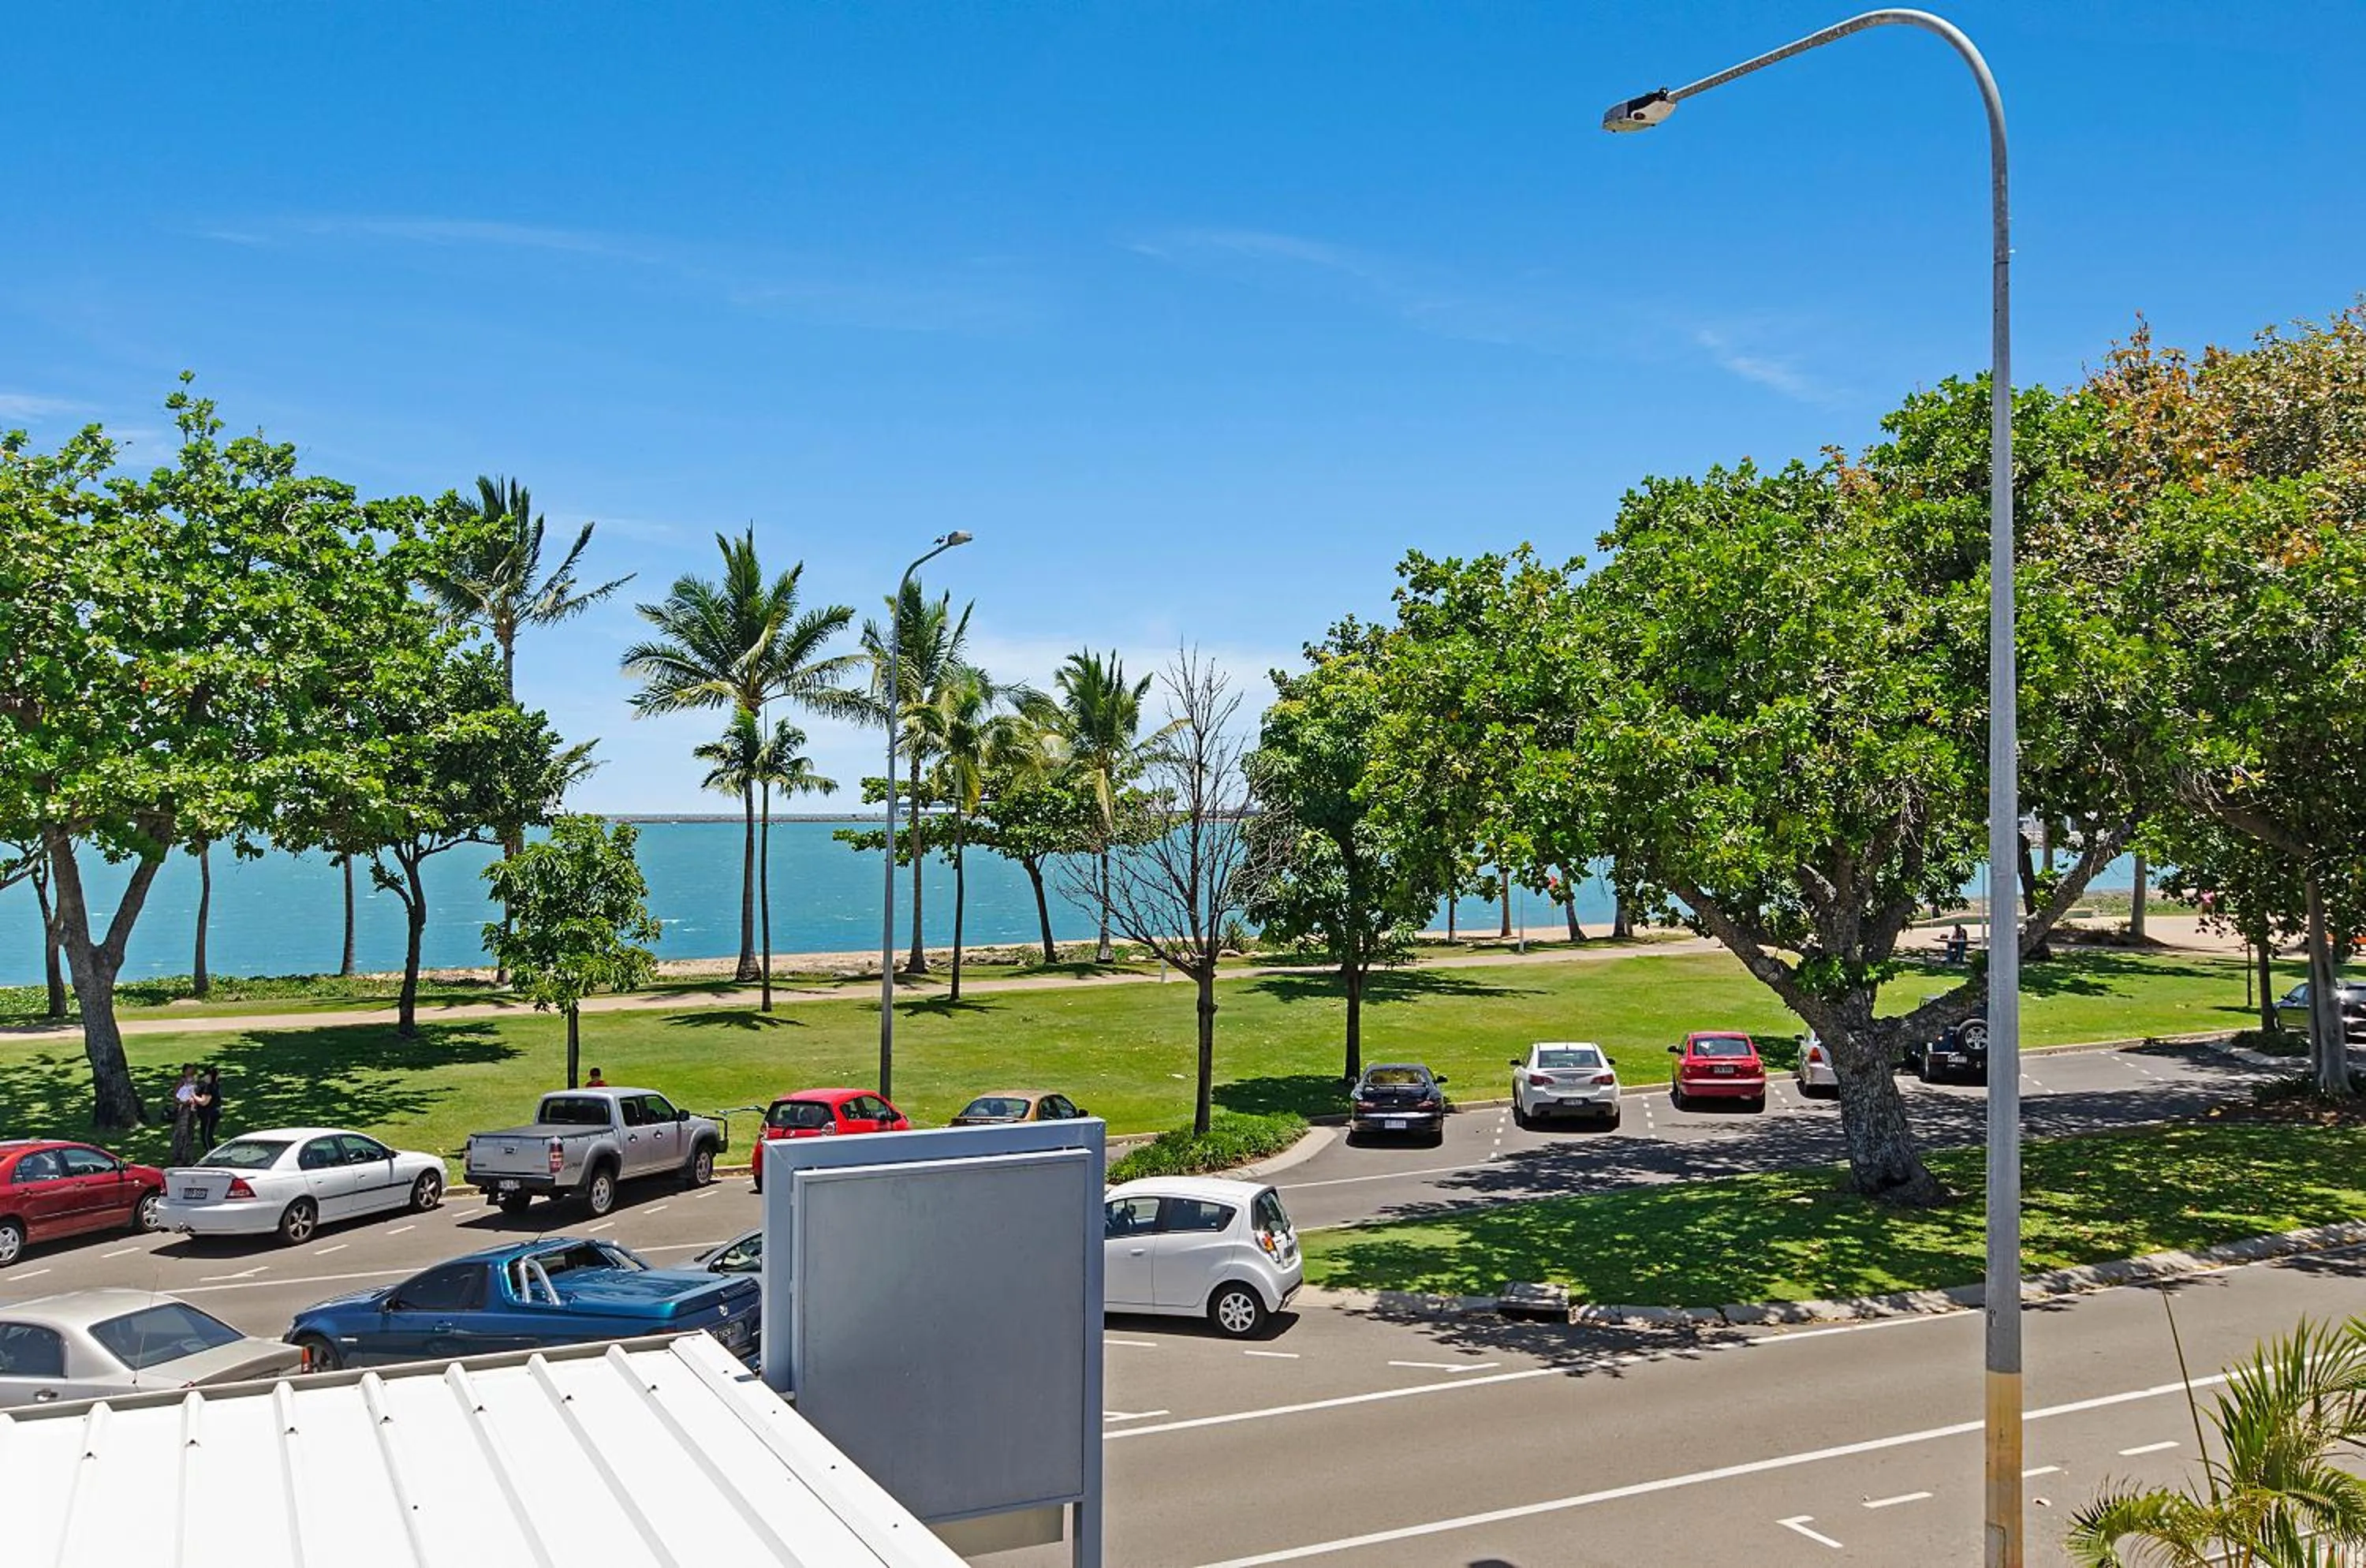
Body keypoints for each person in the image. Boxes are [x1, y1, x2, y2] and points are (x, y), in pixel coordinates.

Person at [169, 1064, 201, 1166]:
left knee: (190, 1133)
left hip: (193, 1110)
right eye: (189, 1071)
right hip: (183, 1110)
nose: (192, 1073)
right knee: (181, 1133)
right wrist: (183, 1103)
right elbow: (176, 1097)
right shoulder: (181, 1082)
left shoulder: (195, 1082)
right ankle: (178, 1157)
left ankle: (189, 1156)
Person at [196, 1066, 223, 1148]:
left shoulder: (209, 1087)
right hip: (215, 1112)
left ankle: (210, 1152)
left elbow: (204, 1102)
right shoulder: (216, 1085)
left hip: (209, 1114)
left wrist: (192, 1095)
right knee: (209, 1134)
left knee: (206, 1136)